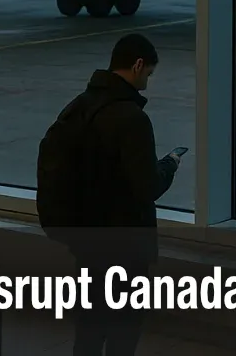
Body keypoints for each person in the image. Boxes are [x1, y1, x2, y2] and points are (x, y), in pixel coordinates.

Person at [66, 33, 181, 356]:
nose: (147, 81)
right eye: (148, 74)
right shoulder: (132, 119)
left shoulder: (79, 107)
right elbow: (146, 187)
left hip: (87, 242)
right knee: (123, 333)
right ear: (138, 65)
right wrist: (168, 166)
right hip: (126, 247)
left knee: (88, 331)